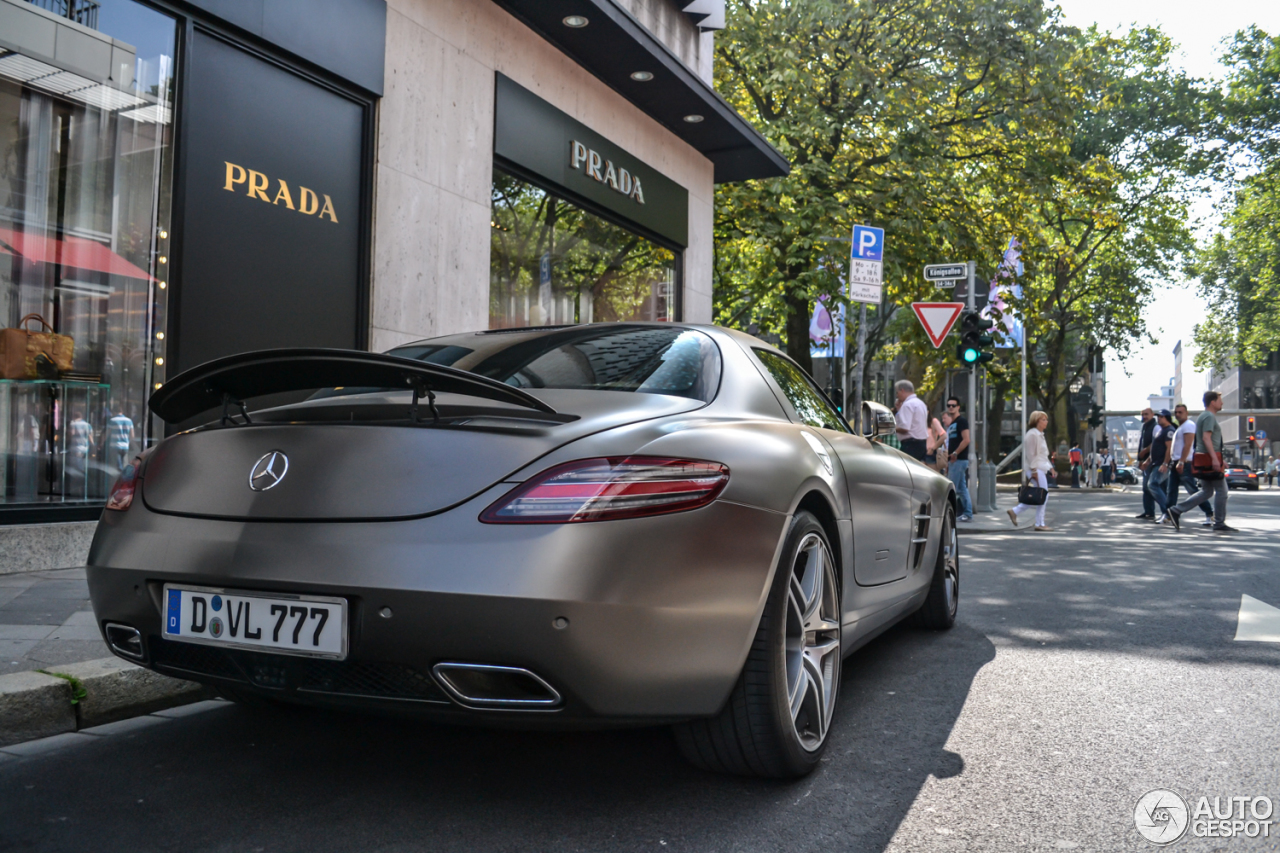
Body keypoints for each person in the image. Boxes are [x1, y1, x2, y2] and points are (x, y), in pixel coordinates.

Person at [1168, 391, 1234, 532]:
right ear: (1212, 402)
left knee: (1206, 491)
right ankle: (1219, 523)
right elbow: (1206, 438)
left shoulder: (1203, 416)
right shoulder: (1209, 416)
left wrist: (1221, 460)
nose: (1221, 403)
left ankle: (1176, 510)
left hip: (1204, 458)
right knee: (1222, 491)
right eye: (1219, 400)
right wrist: (1215, 460)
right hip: (1209, 459)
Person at [1168, 403, 1213, 527]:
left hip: (1185, 463)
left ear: (1186, 413)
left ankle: (1209, 513)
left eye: (1180, 412)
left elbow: (1188, 445)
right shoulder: (1180, 427)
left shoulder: (1188, 425)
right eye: (1176, 412)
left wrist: (1182, 462)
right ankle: (1169, 514)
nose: (1177, 414)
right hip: (1176, 462)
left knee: (1193, 491)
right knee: (1171, 491)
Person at [1007, 410, 1053, 531]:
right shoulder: (1032, 435)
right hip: (1035, 468)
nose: (1046, 422)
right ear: (1037, 421)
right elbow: (1031, 455)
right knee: (1043, 495)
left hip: (1039, 467)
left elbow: (1043, 455)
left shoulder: (1039, 434)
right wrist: (1033, 471)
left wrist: (1051, 467)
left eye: (1046, 419)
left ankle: (1015, 512)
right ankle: (1039, 523)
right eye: (1043, 420)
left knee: (1041, 495)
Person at [945, 396, 973, 521]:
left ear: (958, 407)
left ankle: (947, 513)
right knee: (961, 488)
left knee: (951, 488)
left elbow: (966, 440)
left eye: (953, 405)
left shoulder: (961, 421)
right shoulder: (952, 423)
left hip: (959, 459)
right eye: (949, 405)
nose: (951, 407)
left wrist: (955, 453)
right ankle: (967, 513)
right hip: (954, 460)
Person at [893, 380, 929, 461]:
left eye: (897, 392)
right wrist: (899, 409)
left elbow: (904, 428)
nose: (897, 396)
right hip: (921, 443)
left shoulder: (907, 405)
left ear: (902, 390)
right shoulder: (921, 403)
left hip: (910, 444)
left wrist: (891, 428)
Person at [1148, 410, 1175, 521]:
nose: (1158, 418)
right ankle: (1167, 513)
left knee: (1153, 484)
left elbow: (1169, 448)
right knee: (1162, 489)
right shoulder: (1162, 430)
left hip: (1162, 464)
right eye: (1158, 416)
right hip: (1156, 463)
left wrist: (1165, 463)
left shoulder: (1169, 430)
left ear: (1167, 418)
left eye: (1161, 416)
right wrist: (1148, 461)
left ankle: (1168, 512)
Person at [1134, 408, 1156, 519]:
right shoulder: (1145, 427)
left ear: (1152, 414)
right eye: (1142, 415)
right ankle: (1148, 511)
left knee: (1151, 487)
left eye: (1146, 414)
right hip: (1145, 461)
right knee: (1146, 488)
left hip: (1153, 461)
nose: (1144, 416)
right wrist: (1140, 459)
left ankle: (1165, 510)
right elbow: (1141, 444)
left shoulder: (1155, 427)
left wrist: (1145, 451)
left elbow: (1155, 443)